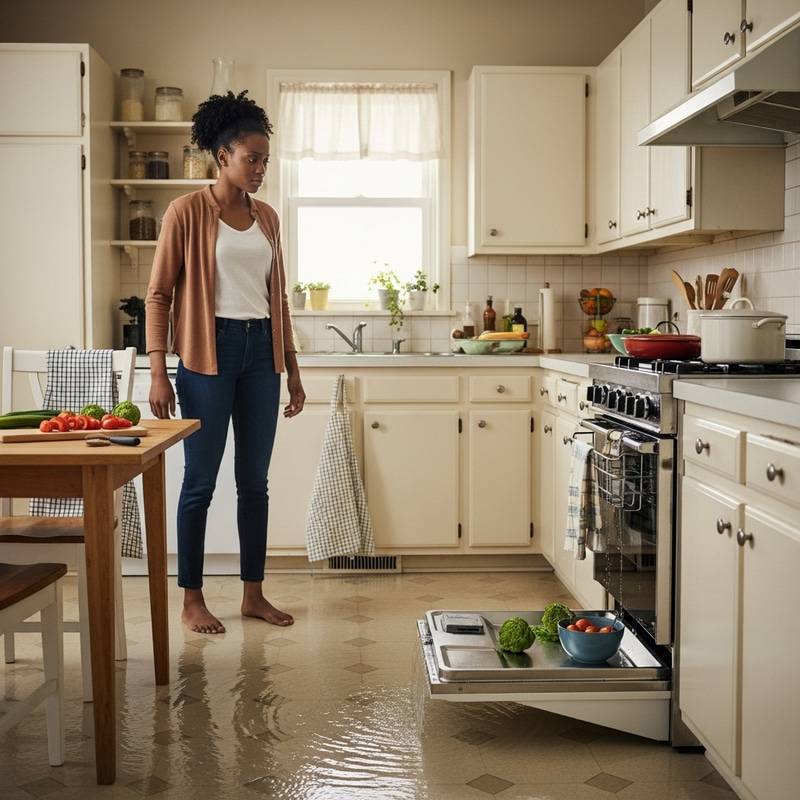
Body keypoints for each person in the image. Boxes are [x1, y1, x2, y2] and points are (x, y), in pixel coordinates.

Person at [145, 90, 305, 634]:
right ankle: (191, 599)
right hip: (206, 353)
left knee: (254, 483)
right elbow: (159, 294)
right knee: (199, 483)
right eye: (251, 158)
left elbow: (277, 297)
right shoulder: (185, 212)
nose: (260, 169)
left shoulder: (269, 219)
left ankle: (252, 594)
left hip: (262, 353)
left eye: (265, 160)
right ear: (223, 156)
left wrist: (293, 370)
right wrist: (159, 370)